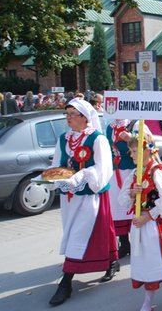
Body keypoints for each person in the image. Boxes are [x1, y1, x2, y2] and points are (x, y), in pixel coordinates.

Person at [41, 99, 118, 306]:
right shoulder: (63, 139)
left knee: (79, 235)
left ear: (85, 117)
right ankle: (112, 260)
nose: (68, 119)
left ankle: (65, 283)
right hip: (70, 197)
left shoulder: (97, 138)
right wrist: (54, 176)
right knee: (91, 232)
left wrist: (81, 175)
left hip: (90, 196)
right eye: (67, 114)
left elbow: (104, 170)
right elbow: (57, 163)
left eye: (73, 114)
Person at [118, 132, 162, 311]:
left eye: (133, 151)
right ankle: (151, 298)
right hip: (138, 225)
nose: (131, 155)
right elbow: (121, 200)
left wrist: (148, 216)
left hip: (153, 225)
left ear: (146, 151)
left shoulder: (157, 172)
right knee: (145, 263)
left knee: (157, 262)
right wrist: (132, 193)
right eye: (131, 151)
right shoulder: (134, 174)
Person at [105, 119, 135, 261]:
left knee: (136, 206)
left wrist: (131, 139)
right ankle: (124, 243)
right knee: (118, 207)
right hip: (116, 172)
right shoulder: (110, 127)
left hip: (133, 170)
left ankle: (139, 242)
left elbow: (150, 146)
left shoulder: (136, 123)